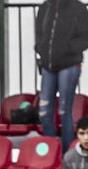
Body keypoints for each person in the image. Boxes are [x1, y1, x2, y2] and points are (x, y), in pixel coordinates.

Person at [34, 0, 88, 151]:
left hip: (69, 64)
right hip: (47, 65)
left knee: (65, 111)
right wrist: (40, 48)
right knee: (44, 112)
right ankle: (51, 152)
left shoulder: (78, 8)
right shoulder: (45, 7)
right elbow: (39, 33)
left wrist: (68, 49)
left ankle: (66, 154)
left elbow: (85, 37)